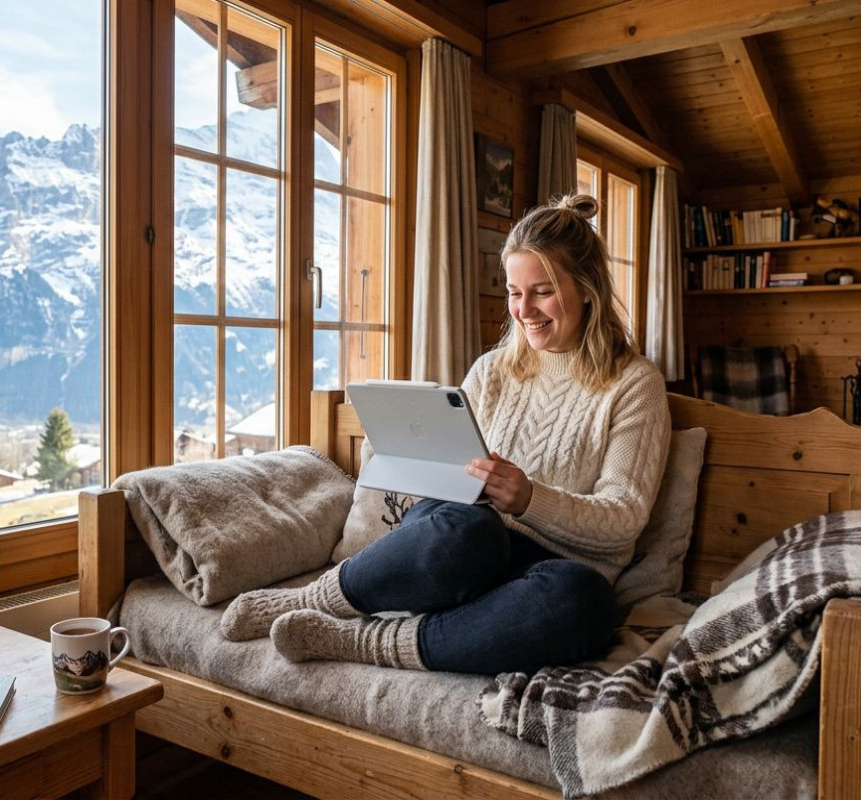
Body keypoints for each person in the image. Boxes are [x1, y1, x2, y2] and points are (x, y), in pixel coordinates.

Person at [221, 194, 671, 675]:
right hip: (467, 546)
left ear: (586, 288)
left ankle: (366, 641)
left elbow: (624, 518)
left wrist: (530, 499)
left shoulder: (634, 384)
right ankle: (315, 597)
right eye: (515, 294)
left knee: (585, 604)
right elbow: (448, 488)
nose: (525, 310)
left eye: (541, 291)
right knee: (471, 530)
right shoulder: (492, 371)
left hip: (553, 572)